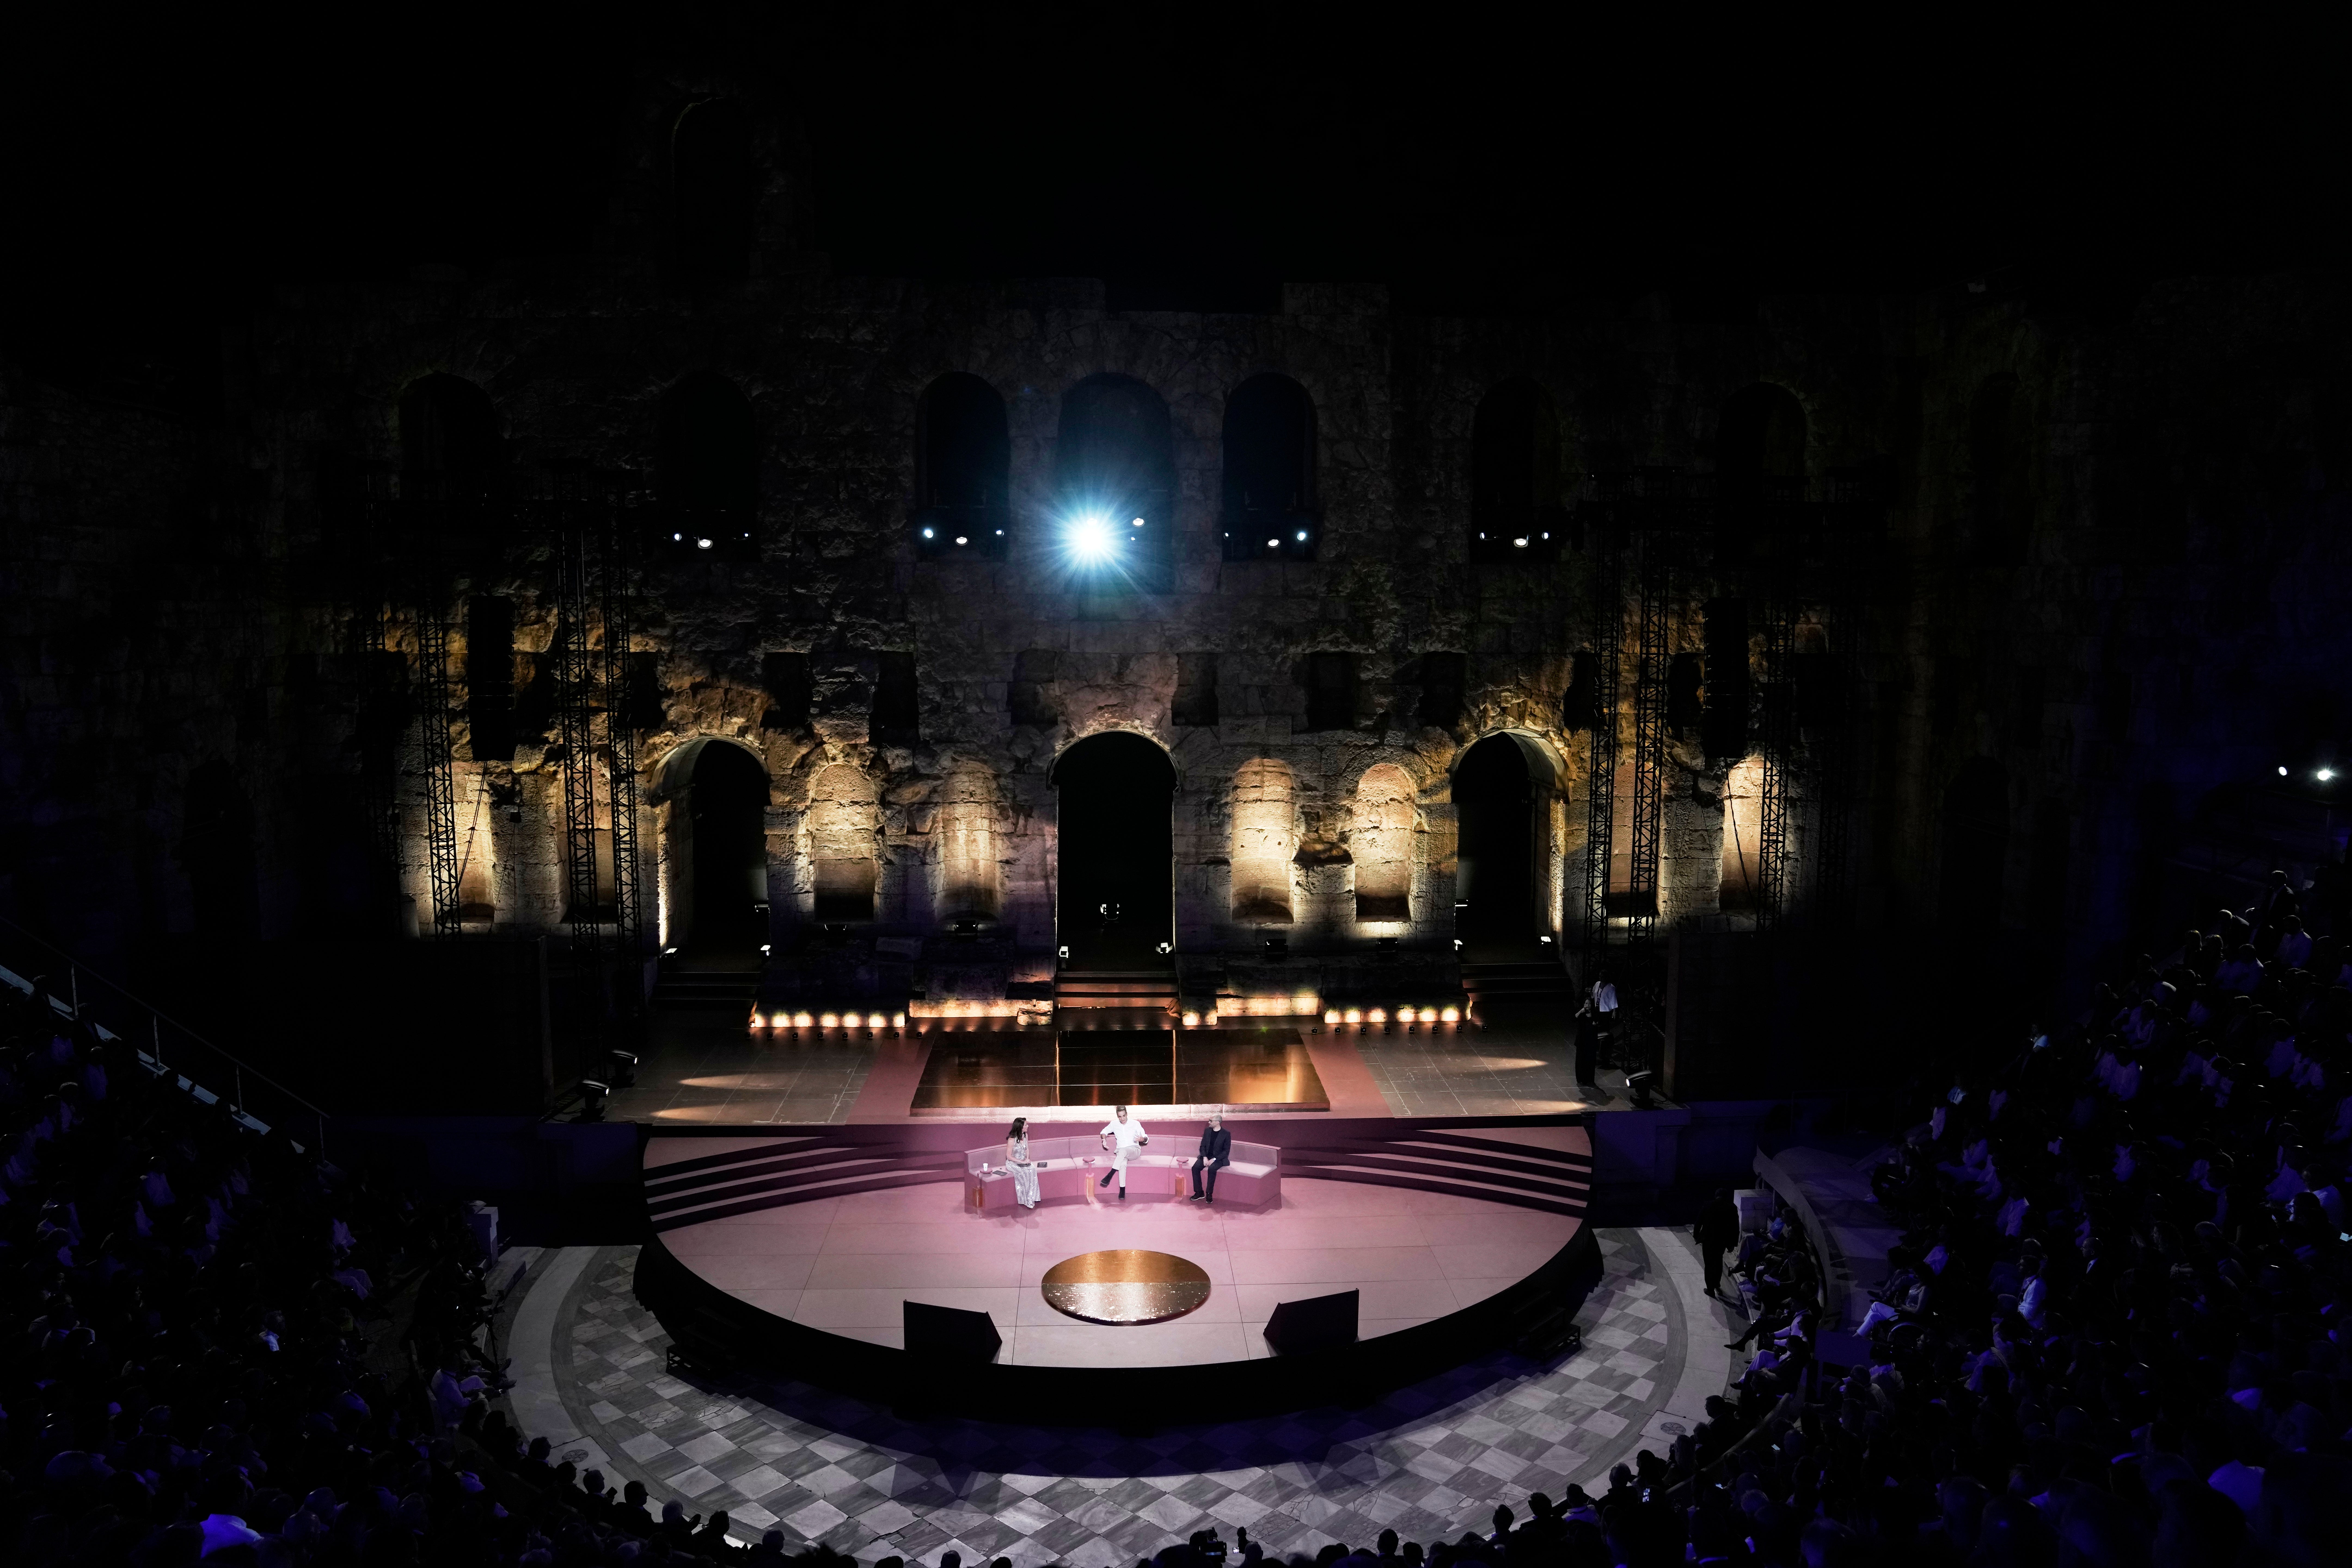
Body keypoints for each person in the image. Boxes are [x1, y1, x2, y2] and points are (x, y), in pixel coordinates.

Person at [1695, 1186, 1739, 1298]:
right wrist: (1733, 1244)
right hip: (1722, 1241)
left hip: (1709, 1240)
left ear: (1716, 1196)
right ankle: (1717, 1283)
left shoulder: (1708, 1205)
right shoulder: (1732, 1208)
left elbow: (1699, 1221)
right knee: (1718, 1261)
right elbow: (1735, 1227)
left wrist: (1697, 1236)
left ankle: (1710, 1289)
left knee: (1709, 1264)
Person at [1098, 1104, 1147, 1198]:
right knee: (1123, 1164)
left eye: (1124, 1116)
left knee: (1123, 1151)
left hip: (1135, 1150)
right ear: (1118, 1117)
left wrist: (1143, 1140)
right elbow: (1104, 1132)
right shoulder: (1114, 1124)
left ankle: (1110, 1175)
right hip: (1121, 1153)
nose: (1123, 1119)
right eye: (1120, 1117)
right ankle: (1122, 1190)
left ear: (1127, 1114)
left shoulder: (1135, 1124)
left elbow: (1146, 1138)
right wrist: (1104, 1140)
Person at [1191, 1109, 1232, 1201]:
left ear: (1218, 1123)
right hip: (1206, 1157)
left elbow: (1226, 1151)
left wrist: (1214, 1159)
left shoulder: (1226, 1134)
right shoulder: (1208, 1131)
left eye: (1211, 1121)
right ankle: (1199, 1192)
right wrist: (1205, 1158)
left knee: (1212, 1169)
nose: (1209, 1122)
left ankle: (1209, 1193)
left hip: (1219, 1159)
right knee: (1195, 1168)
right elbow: (1203, 1146)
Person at [1004, 1116, 1040, 1209]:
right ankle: (1024, 1200)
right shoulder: (1012, 1139)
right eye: (1026, 1125)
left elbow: (1027, 1149)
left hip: (1024, 1161)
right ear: (1021, 1127)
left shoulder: (1025, 1136)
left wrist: (1027, 1160)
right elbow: (1009, 1157)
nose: (1028, 1126)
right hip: (1013, 1163)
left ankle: (1031, 1198)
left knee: (1032, 1171)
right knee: (1023, 1173)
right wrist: (1022, 1162)